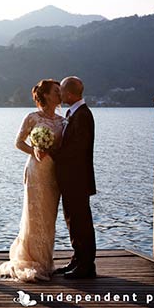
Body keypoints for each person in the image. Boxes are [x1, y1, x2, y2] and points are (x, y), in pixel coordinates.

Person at [0, 79, 64, 282]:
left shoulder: (62, 121)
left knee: (49, 217)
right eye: (56, 91)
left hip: (54, 172)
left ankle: (46, 261)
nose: (60, 94)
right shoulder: (32, 117)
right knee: (34, 214)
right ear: (46, 95)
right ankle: (32, 259)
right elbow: (18, 142)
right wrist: (35, 150)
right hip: (36, 171)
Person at [49, 76, 97, 279]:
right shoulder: (73, 113)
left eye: (60, 91)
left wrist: (51, 151)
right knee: (73, 220)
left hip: (78, 178)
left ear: (69, 93)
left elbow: (78, 148)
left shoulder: (83, 115)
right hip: (70, 178)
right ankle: (78, 259)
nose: (59, 95)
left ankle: (87, 265)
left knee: (81, 221)